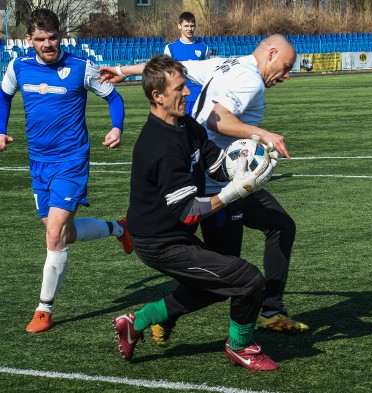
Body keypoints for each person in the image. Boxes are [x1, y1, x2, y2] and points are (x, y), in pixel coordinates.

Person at [99, 34, 308, 339]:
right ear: (272, 53)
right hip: (213, 182)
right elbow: (216, 119)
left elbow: (174, 68)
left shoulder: (226, 64)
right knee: (229, 274)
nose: (286, 75)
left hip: (214, 169)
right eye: (286, 66)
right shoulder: (249, 79)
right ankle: (248, 326)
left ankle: (269, 311)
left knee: (266, 238)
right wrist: (261, 134)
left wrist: (124, 69)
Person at [111, 55, 279, 371]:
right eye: (179, 88)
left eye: (186, 85)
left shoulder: (186, 125)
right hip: (159, 243)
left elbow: (215, 163)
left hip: (174, 234)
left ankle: (138, 322)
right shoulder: (160, 146)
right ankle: (241, 347)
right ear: (157, 96)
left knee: (221, 284)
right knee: (249, 281)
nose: (188, 93)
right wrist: (236, 191)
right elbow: (189, 212)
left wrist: (246, 162)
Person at [0, 8, 131, 333]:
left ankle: (44, 310)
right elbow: (3, 98)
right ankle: (119, 229)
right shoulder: (18, 66)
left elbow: (114, 98)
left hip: (71, 162)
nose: (48, 45)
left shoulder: (79, 67)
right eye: (41, 39)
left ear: (61, 35)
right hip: (39, 164)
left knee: (54, 233)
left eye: (53, 38)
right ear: (29, 39)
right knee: (64, 233)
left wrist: (117, 128)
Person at [164, 11, 209, 116]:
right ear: (179, 26)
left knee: (200, 131)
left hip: (199, 97)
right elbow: (166, 75)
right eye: (186, 26)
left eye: (192, 26)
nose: (189, 29)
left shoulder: (204, 48)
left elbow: (206, 72)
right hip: (180, 97)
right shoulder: (170, 48)